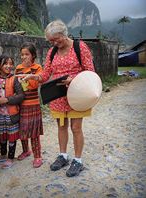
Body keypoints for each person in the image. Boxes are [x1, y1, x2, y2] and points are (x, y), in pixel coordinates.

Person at [22, 20, 95, 177]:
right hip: (58, 96)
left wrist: (73, 79)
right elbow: (46, 74)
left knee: (76, 128)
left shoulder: (80, 47)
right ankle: (63, 156)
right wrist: (33, 76)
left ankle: (78, 160)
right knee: (61, 126)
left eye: (56, 39)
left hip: (77, 94)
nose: (54, 43)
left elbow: (90, 71)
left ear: (64, 34)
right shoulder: (52, 52)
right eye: (51, 41)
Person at [15, 42, 44, 168]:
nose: (24, 57)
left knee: (34, 132)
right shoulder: (18, 68)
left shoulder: (37, 68)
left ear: (33, 56)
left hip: (33, 104)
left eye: (27, 54)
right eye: (22, 54)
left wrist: (29, 77)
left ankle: (37, 156)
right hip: (21, 104)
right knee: (23, 129)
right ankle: (26, 151)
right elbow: (16, 86)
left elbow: (36, 84)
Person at [0, 55, 24, 168]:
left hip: (11, 113)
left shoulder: (14, 78)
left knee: (12, 136)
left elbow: (21, 95)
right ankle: (3, 155)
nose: (8, 66)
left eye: (10, 63)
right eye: (5, 63)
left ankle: (11, 157)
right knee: (2, 135)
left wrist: (7, 99)